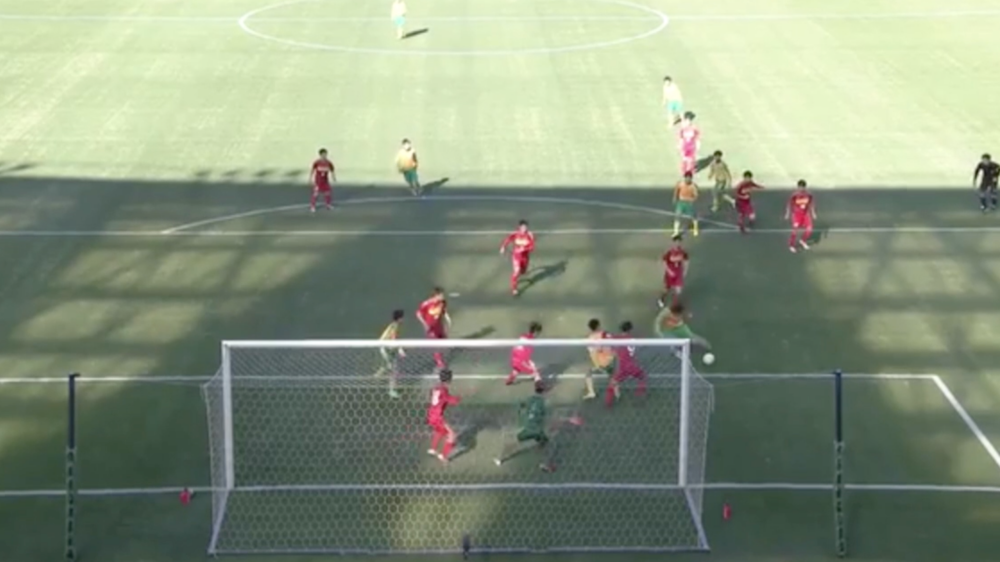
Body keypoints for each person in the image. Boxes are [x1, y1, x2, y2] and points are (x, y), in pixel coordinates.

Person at [493, 381, 581, 472]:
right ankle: (546, 463)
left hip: (527, 429)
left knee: (511, 443)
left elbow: (521, 405)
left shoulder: (530, 399)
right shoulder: (545, 403)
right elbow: (554, 418)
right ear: (545, 390)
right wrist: (569, 419)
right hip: (538, 431)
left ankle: (500, 460)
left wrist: (521, 414)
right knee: (553, 445)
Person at [605, 321, 646, 407]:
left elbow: (608, 337)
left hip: (623, 368)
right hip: (632, 366)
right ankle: (639, 394)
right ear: (630, 329)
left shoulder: (616, 339)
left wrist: (606, 334)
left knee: (612, 383)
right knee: (642, 377)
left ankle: (608, 403)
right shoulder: (633, 340)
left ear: (621, 329)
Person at [427, 369, 461, 463]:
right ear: (449, 379)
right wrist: (458, 398)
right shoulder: (444, 390)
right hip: (438, 417)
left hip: (431, 415)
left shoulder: (436, 388)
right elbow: (451, 400)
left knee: (440, 431)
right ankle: (443, 456)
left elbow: (438, 398)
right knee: (452, 435)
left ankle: (433, 449)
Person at [416, 287, 450, 370]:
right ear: (436, 295)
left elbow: (444, 311)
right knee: (436, 345)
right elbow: (418, 314)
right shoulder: (426, 304)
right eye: (441, 295)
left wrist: (447, 319)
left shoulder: (442, 303)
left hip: (439, 327)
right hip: (431, 328)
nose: (443, 297)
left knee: (443, 342)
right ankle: (440, 363)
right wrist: (425, 324)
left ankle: (440, 358)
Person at [374, 309, 406, 398]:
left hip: (384, 348)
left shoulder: (393, 325)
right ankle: (392, 391)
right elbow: (393, 339)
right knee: (394, 371)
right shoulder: (395, 326)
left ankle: (376, 378)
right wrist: (400, 350)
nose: (403, 319)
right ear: (399, 318)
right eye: (402, 317)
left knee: (387, 367)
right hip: (386, 349)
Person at [499, 220, 536, 296]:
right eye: (522, 227)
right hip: (516, 256)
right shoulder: (515, 234)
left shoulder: (530, 235)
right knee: (516, 272)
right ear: (519, 227)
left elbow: (532, 247)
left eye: (525, 227)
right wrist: (503, 247)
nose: (524, 229)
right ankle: (514, 289)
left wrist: (524, 249)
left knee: (523, 272)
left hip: (525, 257)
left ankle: (523, 271)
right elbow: (507, 239)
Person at [785, 179, 816, 252]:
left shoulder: (809, 195)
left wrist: (813, 213)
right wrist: (787, 213)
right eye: (800, 187)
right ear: (798, 187)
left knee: (809, 229)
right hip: (796, 215)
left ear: (805, 187)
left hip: (805, 214)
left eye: (803, 187)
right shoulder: (794, 195)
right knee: (795, 231)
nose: (801, 189)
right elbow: (789, 204)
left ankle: (802, 241)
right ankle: (791, 245)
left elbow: (811, 204)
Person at [585, 318, 612, 400]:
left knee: (588, 374)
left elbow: (592, 352)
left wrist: (597, 365)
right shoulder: (606, 334)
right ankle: (617, 393)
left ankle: (591, 392)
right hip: (610, 360)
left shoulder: (590, 338)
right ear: (598, 326)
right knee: (611, 375)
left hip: (600, 363)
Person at [659, 235, 689, 308]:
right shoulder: (669, 252)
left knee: (678, 290)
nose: (677, 244)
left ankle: (675, 304)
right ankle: (662, 299)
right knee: (666, 289)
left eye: (679, 242)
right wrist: (669, 271)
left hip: (678, 273)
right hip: (670, 274)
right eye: (676, 242)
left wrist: (685, 271)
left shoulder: (683, 252)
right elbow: (664, 262)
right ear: (673, 243)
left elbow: (686, 261)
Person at [672, 172, 700, 237]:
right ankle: (676, 232)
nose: (688, 180)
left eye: (689, 178)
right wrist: (675, 197)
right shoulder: (680, 184)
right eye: (687, 178)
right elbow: (676, 190)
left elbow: (696, 195)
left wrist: (693, 199)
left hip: (689, 202)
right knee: (677, 215)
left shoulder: (693, 186)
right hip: (681, 202)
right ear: (684, 178)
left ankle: (695, 228)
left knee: (693, 216)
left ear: (691, 178)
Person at [310, 148, 335, 212]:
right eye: (323, 154)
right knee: (315, 194)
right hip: (318, 181)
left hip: (325, 181)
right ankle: (313, 206)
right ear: (320, 155)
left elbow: (332, 170)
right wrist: (310, 178)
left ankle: (328, 205)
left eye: (325, 154)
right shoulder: (317, 162)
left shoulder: (328, 163)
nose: (324, 156)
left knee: (327, 193)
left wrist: (333, 177)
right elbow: (313, 170)